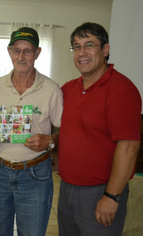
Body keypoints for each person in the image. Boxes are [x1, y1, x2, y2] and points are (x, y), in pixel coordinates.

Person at [57, 22, 141, 236]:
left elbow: (129, 147)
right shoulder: (68, 88)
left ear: (105, 50)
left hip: (100, 193)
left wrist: (112, 197)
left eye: (89, 45)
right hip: (66, 189)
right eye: (76, 46)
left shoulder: (121, 90)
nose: (81, 53)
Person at [0, 27, 63, 236]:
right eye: (17, 50)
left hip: (36, 175)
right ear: (9, 52)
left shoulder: (52, 89)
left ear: (38, 53)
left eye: (28, 51)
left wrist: (50, 141)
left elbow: (64, 131)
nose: (21, 56)